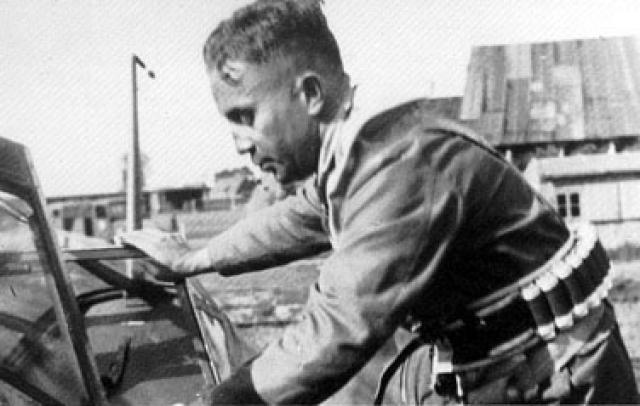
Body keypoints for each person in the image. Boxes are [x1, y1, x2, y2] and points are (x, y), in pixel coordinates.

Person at [120, 0, 639, 404]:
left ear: (309, 94)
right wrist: (196, 258)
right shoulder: (362, 154)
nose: (239, 144)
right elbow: (298, 218)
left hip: (560, 377)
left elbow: (335, 333)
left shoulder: (400, 165)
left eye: (245, 116)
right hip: (500, 362)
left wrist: (217, 403)